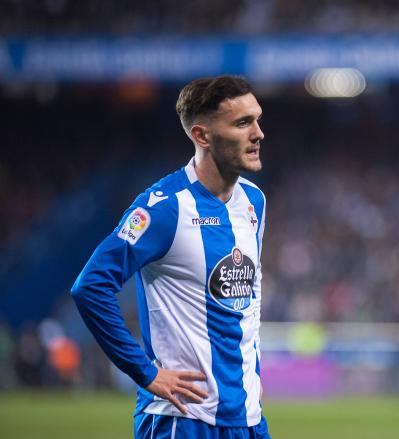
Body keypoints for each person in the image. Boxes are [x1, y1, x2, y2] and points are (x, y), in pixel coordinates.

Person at [71, 76, 270, 438]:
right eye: (242, 123)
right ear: (202, 136)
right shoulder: (163, 209)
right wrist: (145, 372)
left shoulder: (254, 201)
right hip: (182, 419)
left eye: (256, 119)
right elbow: (90, 287)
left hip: (249, 420)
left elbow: (247, 306)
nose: (258, 133)